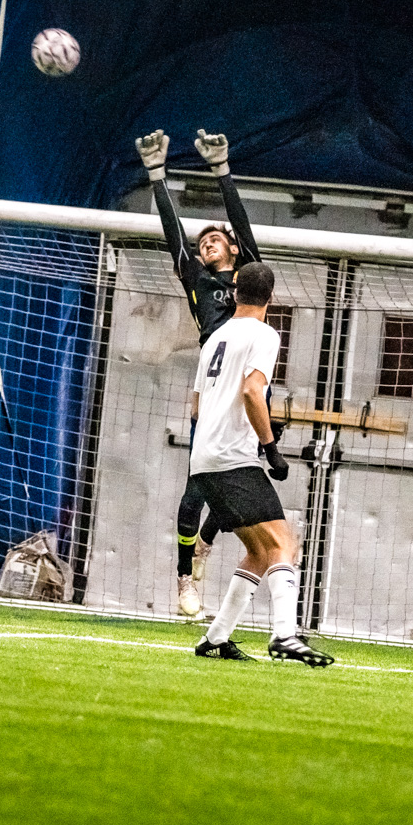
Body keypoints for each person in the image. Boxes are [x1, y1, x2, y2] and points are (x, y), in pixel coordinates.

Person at [136, 127, 266, 619]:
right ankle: (184, 578)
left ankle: (207, 544)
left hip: (248, 384)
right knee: (198, 486)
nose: (209, 244)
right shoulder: (196, 279)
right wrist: (157, 175)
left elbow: (243, 227)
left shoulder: (249, 276)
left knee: (240, 484)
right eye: (203, 242)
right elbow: (174, 233)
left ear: (232, 249)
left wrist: (222, 171)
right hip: (211, 389)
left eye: (216, 239)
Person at [186, 262, 332, 666]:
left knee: (259, 551)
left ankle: (215, 638)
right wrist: (269, 447)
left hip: (205, 458)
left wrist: (238, 431)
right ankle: (285, 635)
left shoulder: (214, 338)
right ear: (271, 297)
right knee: (284, 544)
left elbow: (197, 407)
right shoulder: (265, 334)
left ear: (234, 292)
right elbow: (252, 391)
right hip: (234, 459)